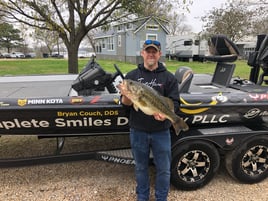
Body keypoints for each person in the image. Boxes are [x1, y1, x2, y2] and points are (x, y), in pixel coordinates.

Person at [119, 39, 180, 201]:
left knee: (164, 169)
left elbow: (174, 103)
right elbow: (125, 106)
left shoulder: (169, 78)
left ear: (159, 54)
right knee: (140, 167)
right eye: (148, 51)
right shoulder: (132, 76)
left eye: (154, 51)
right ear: (142, 53)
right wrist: (127, 95)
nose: (151, 54)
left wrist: (167, 115)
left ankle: (161, 198)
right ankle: (142, 197)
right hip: (138, 130)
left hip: (161, 131)